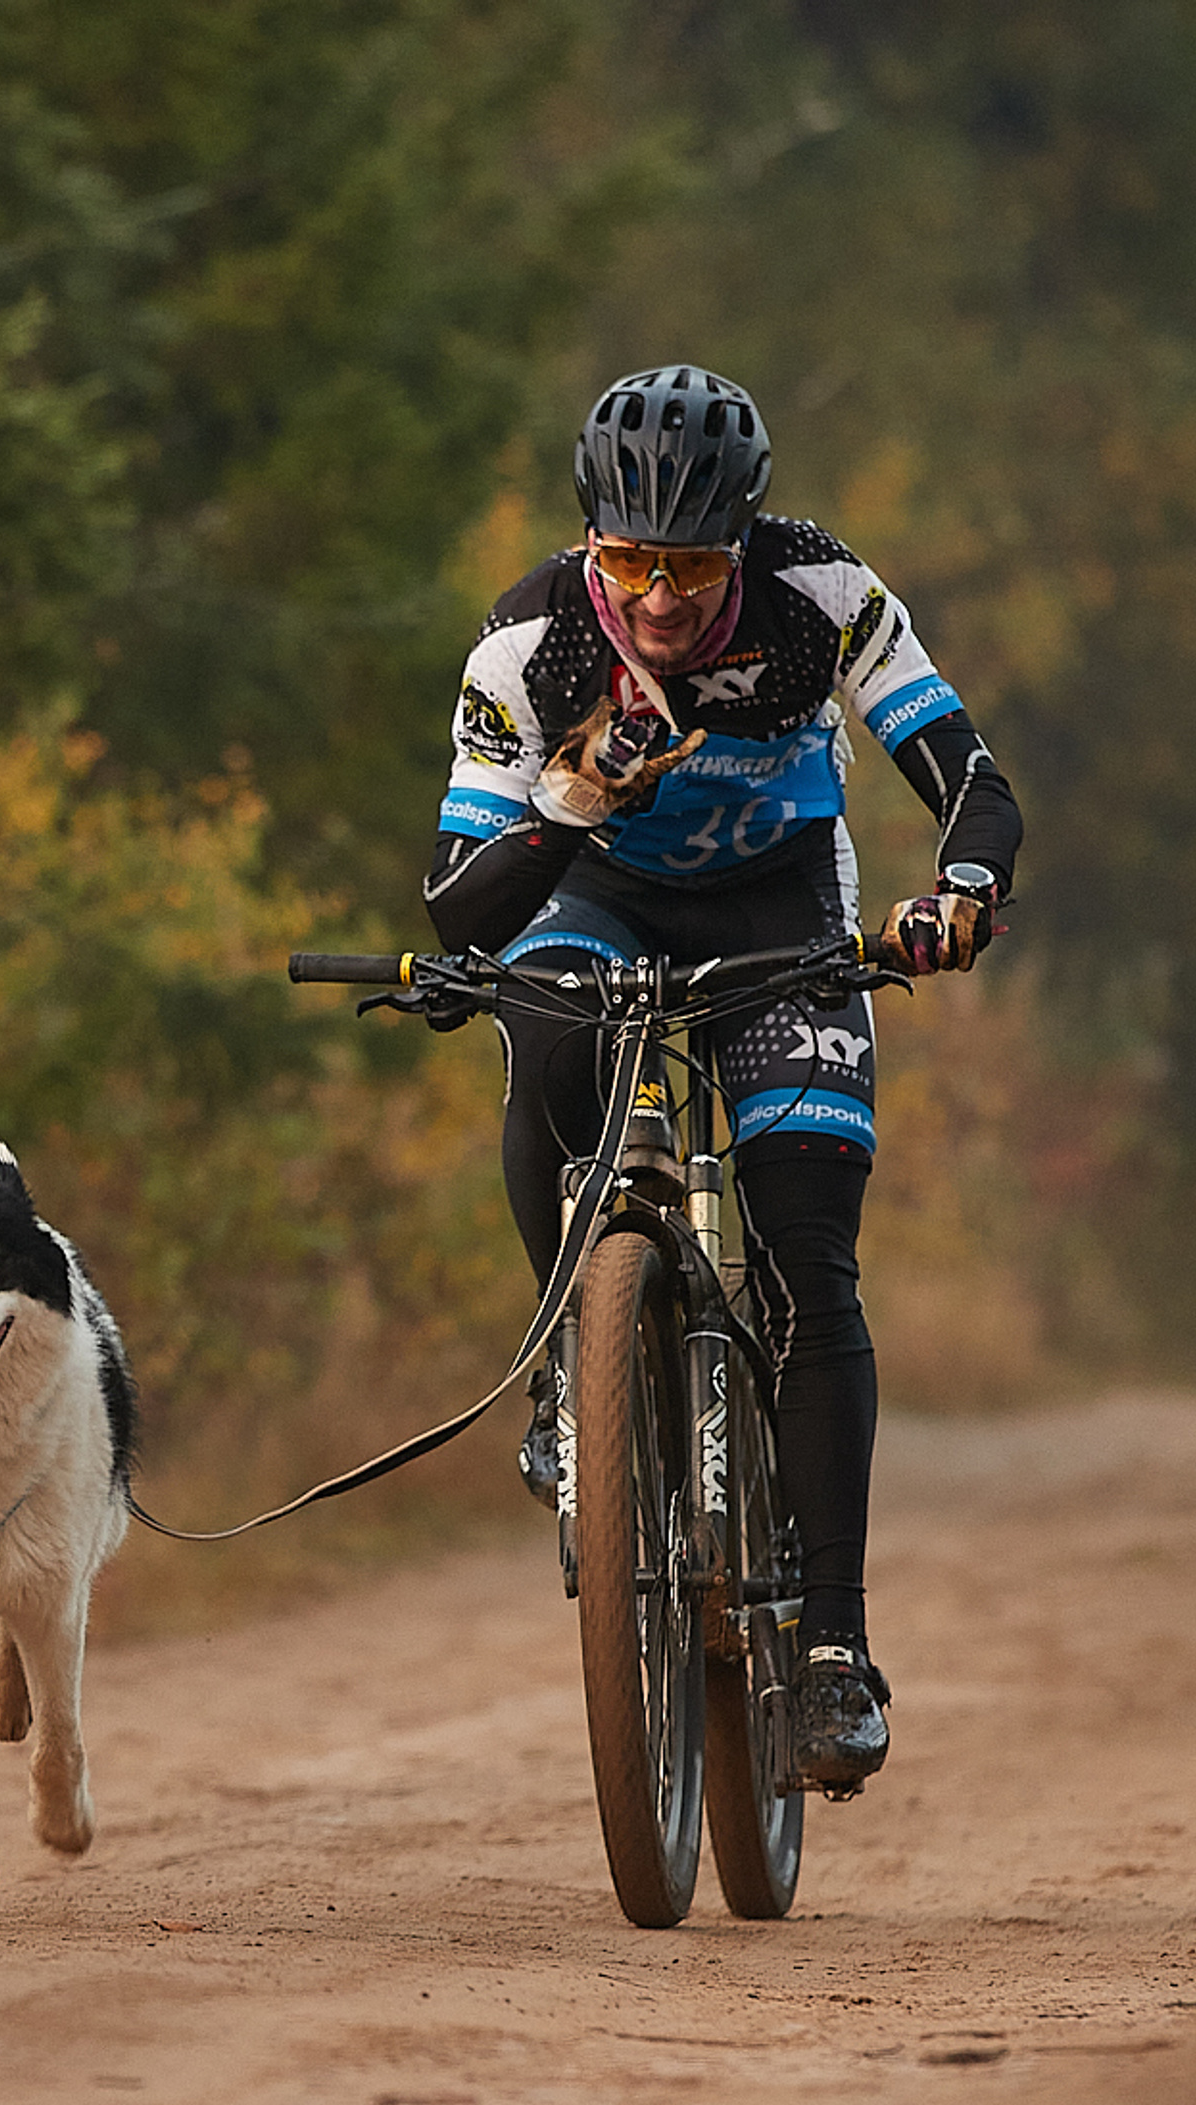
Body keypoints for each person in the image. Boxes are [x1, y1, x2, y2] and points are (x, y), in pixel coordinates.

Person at [424, 364, 1021, 1794]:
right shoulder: (528, 644)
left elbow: (972, 779)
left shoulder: (822, 594)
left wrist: (962, 890)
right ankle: (572, 1371)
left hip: (780, 909)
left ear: (742, 541)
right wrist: (572, 799)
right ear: (593, 543)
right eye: (631, 561)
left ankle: (829, 1650)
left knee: (812, 1257)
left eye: (692, 565)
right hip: (597, 900)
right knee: (545, 1022)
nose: (664, 597)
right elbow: (460, 913)